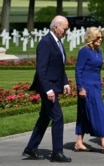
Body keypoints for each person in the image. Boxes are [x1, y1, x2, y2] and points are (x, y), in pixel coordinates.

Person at [23, 15, 72, 162]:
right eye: (65, 28)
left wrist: (65, 83)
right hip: (48, 87)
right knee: (58, 117)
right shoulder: (46, 43)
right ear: (56, 27)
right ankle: (57, 153)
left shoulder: (57, 42)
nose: (66, 32)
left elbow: (59, 66)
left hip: (55, 85)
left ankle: (31, 148)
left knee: (45, 117)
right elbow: (41, 70)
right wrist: (48, 90)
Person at [74, 27, 104, 153]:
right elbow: (78, 70)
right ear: (91, 37)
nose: (100, 39)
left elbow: (97, 69)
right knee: (100, 113)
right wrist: (80, 87)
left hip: (95, 86)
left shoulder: (98, 51)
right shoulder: (84, 51)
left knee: (83, 114)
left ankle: (79, 142)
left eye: (101, 37)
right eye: (98, 37)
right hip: (86, 86)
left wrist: (99, 83)